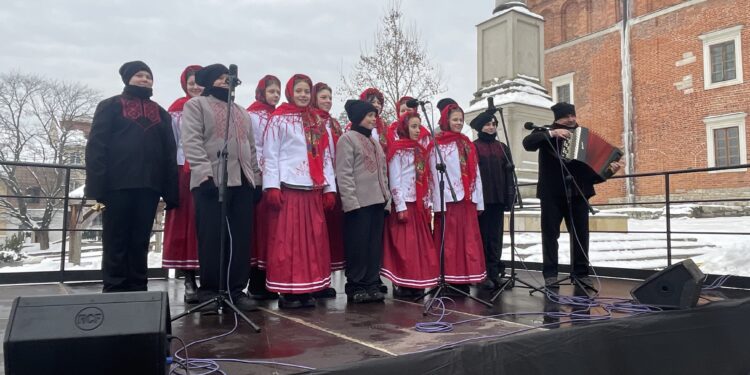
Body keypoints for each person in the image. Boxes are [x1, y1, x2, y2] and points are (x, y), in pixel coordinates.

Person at [85, 60, 178, 293]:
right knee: (115, 239)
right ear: (127, 78)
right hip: (116, 185)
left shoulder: (162, 114)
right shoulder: (110, 106)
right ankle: (114, 287)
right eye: (139, 75)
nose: (145, 79)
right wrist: (96, 187)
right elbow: (96, 147)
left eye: (148, 75)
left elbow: (169, 153)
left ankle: (138, 287)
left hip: (149, 187)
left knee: (140, 241)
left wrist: (171, 192)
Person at [181, 63, 261, 311]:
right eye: (222, 78)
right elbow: (192, 141)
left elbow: (251, 148)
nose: (227, 81)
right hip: (211, 182)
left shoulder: (241, 112)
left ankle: (236, 290)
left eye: (230, 78)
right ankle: (209, 292)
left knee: (240, 238)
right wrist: (204, 174)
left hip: (242, 182)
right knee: (212, 238)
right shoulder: (196, 105)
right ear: (210, 82)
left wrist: (256, 178)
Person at [522, 102, 620, 288]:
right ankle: (551, 274)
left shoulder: (583, 136)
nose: (571, 119)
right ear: (557, 118)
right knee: (550, 235)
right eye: (566, 116)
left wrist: (608, 172)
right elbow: (527, 143)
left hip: (578, 193)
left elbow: (588, 173)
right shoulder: (546, 133)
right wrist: (552, 133)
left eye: (573, 115)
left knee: (581, 235)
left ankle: (581, 273)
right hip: (551, 194)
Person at [263, 74, 336, 309]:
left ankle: (309, 288)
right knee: (290, 242)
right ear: (291, 92)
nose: (303, 95)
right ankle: (288, 291)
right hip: (290, 186)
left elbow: (324, 156)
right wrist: (272, 186)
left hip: (313, 187)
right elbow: (270, 154)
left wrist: (329, 188)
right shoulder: (279, 119)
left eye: (307, 91)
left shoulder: (317, 121)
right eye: (300, 91)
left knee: (313, 241)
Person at [336, 99, 391, 303]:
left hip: (377, 201)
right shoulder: (347, 139)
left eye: (374, 116)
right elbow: (344, 173)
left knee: (373, 246)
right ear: (359, 117)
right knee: (357, 245)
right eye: (369, 116)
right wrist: (350, 202)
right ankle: (356, 285)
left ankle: (371, 283)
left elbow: (383, 173)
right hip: (358, 204)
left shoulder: (374, 142)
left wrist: (387, 200)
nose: (373, 120)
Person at [429, 103, 486, 293]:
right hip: (448, 201)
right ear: (446, 120)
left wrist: (479, 199)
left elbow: (475, 173)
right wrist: (438, 204)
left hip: (466, 200)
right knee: (450, 242)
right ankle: (448, 279)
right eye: (455, 119)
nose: (459, 123)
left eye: (461, 120)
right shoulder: (437, 143)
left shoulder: (467, 144)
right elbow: (434, 176)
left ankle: (464, 278)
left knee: (467, 241)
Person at [382, 112, 437, 298]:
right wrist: (400, 205)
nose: (417, 130)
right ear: (405, 128)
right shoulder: (397, 150)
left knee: (419, 247)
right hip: (404, 205)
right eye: (413, 126)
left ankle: (417, 280)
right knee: (405, 246)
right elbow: (395, 179)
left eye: (419, 126)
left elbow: (425, 178)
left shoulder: (420, 150)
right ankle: (403, 282)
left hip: (418, 204)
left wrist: (427, 201)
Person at [163, 64, 203, 303]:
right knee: (185, 224)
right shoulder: (177, 110)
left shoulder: (212, 107)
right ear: (184, 85)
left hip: (208, 170)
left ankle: (209, 278)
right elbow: (171, 145)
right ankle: (188, 278)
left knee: (205, 224)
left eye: (199, 83)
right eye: (191, 83)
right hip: (183, 171)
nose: (196, 87)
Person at [470, 108, 515, 289]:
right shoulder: (474, 146)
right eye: (488, 124)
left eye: (494, 124)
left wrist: (509, 196)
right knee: (483, 236)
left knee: (496, 237)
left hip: (498, 198)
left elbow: (509, 173)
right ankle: (482, 274)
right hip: (482, 199)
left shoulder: (502, 147)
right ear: (481, 127)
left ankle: (495, 272)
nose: (491, 127)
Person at [246, 74, 281, 300]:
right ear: (261, 92)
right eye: (271, 91)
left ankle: (268, 281)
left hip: (274, 179)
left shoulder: (278, 116)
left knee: (271, 232)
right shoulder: (252, 115)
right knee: (257, 232)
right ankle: (255, 283)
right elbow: (253, 146)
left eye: (278, 92)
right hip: (258, 177)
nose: (275, 95)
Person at [311, 82, 344, 299]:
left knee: (331, 235)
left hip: (334, 181)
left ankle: (325, 280)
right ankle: (314, 280)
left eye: (330, 97)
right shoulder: (311, 120)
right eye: (323, 97)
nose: (328, 100)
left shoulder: (333, 123)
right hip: (316, 182)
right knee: (316, 234)